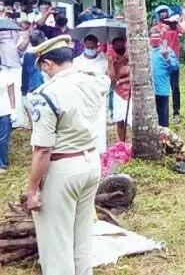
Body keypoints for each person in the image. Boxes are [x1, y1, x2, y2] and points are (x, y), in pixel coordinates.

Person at [23, 35, 108, 275]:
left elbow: (42, 149)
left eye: (43, 66)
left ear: (47, 64)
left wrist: (33, 189)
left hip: (63, 168)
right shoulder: (92, 81)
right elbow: (106, 81)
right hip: (91, 162)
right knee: (81, 239)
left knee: (56, 246)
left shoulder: (45, 94)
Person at [151, 5, 185, 125]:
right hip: (160, 60)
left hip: (173, 59)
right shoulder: (157, 28)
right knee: (160, 88)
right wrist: (161, 31)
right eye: (161, 13)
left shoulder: (174, 26)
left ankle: (176, 112)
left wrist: (177, 23)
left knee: (175, 87)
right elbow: (155, 41)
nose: (163, 15)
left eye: (165, 12)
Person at [72, 35, 109, 153]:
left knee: (99, 126)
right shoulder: (76, 61)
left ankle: (100, 151)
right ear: (84, 45)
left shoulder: (103, 61)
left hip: (98, 99)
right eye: (88, 47)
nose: (90, 49)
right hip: (82, 98)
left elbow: (107, 79)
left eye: (93, 47)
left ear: (97, 46)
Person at [149, 30, 179, 128]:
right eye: (153, 37)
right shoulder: (145, 51)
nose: (155, 40)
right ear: (149, 39)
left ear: (161, 39)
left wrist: (167, 58)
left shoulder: (167, 50)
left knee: (163, 119)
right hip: (148, 91)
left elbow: (175, 67)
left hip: (161, 89)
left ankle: (164, 141)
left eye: (158, 37)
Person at [0, 21, 23, 129]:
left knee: (13, 92)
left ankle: (15, 119)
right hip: (4, 65)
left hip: (11, 66)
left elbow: (20, 48)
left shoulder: (14, 33)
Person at [108, 37, 131, 142]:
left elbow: (135, 75)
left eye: (121, 45)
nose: (119, 48)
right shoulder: (113, 61)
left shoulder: (131, 57)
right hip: (119, 93)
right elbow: (111, 81)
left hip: (131, 93)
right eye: (116, 46)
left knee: (131, 120)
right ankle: (122, 143)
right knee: (119, 121)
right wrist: (110, 64)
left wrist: (121, 80)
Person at [0, 65, 16, 173]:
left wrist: (13, 110)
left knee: (3, 139)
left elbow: (11, 94)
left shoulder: (6, 75)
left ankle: (2, 164)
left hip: (4, 111)